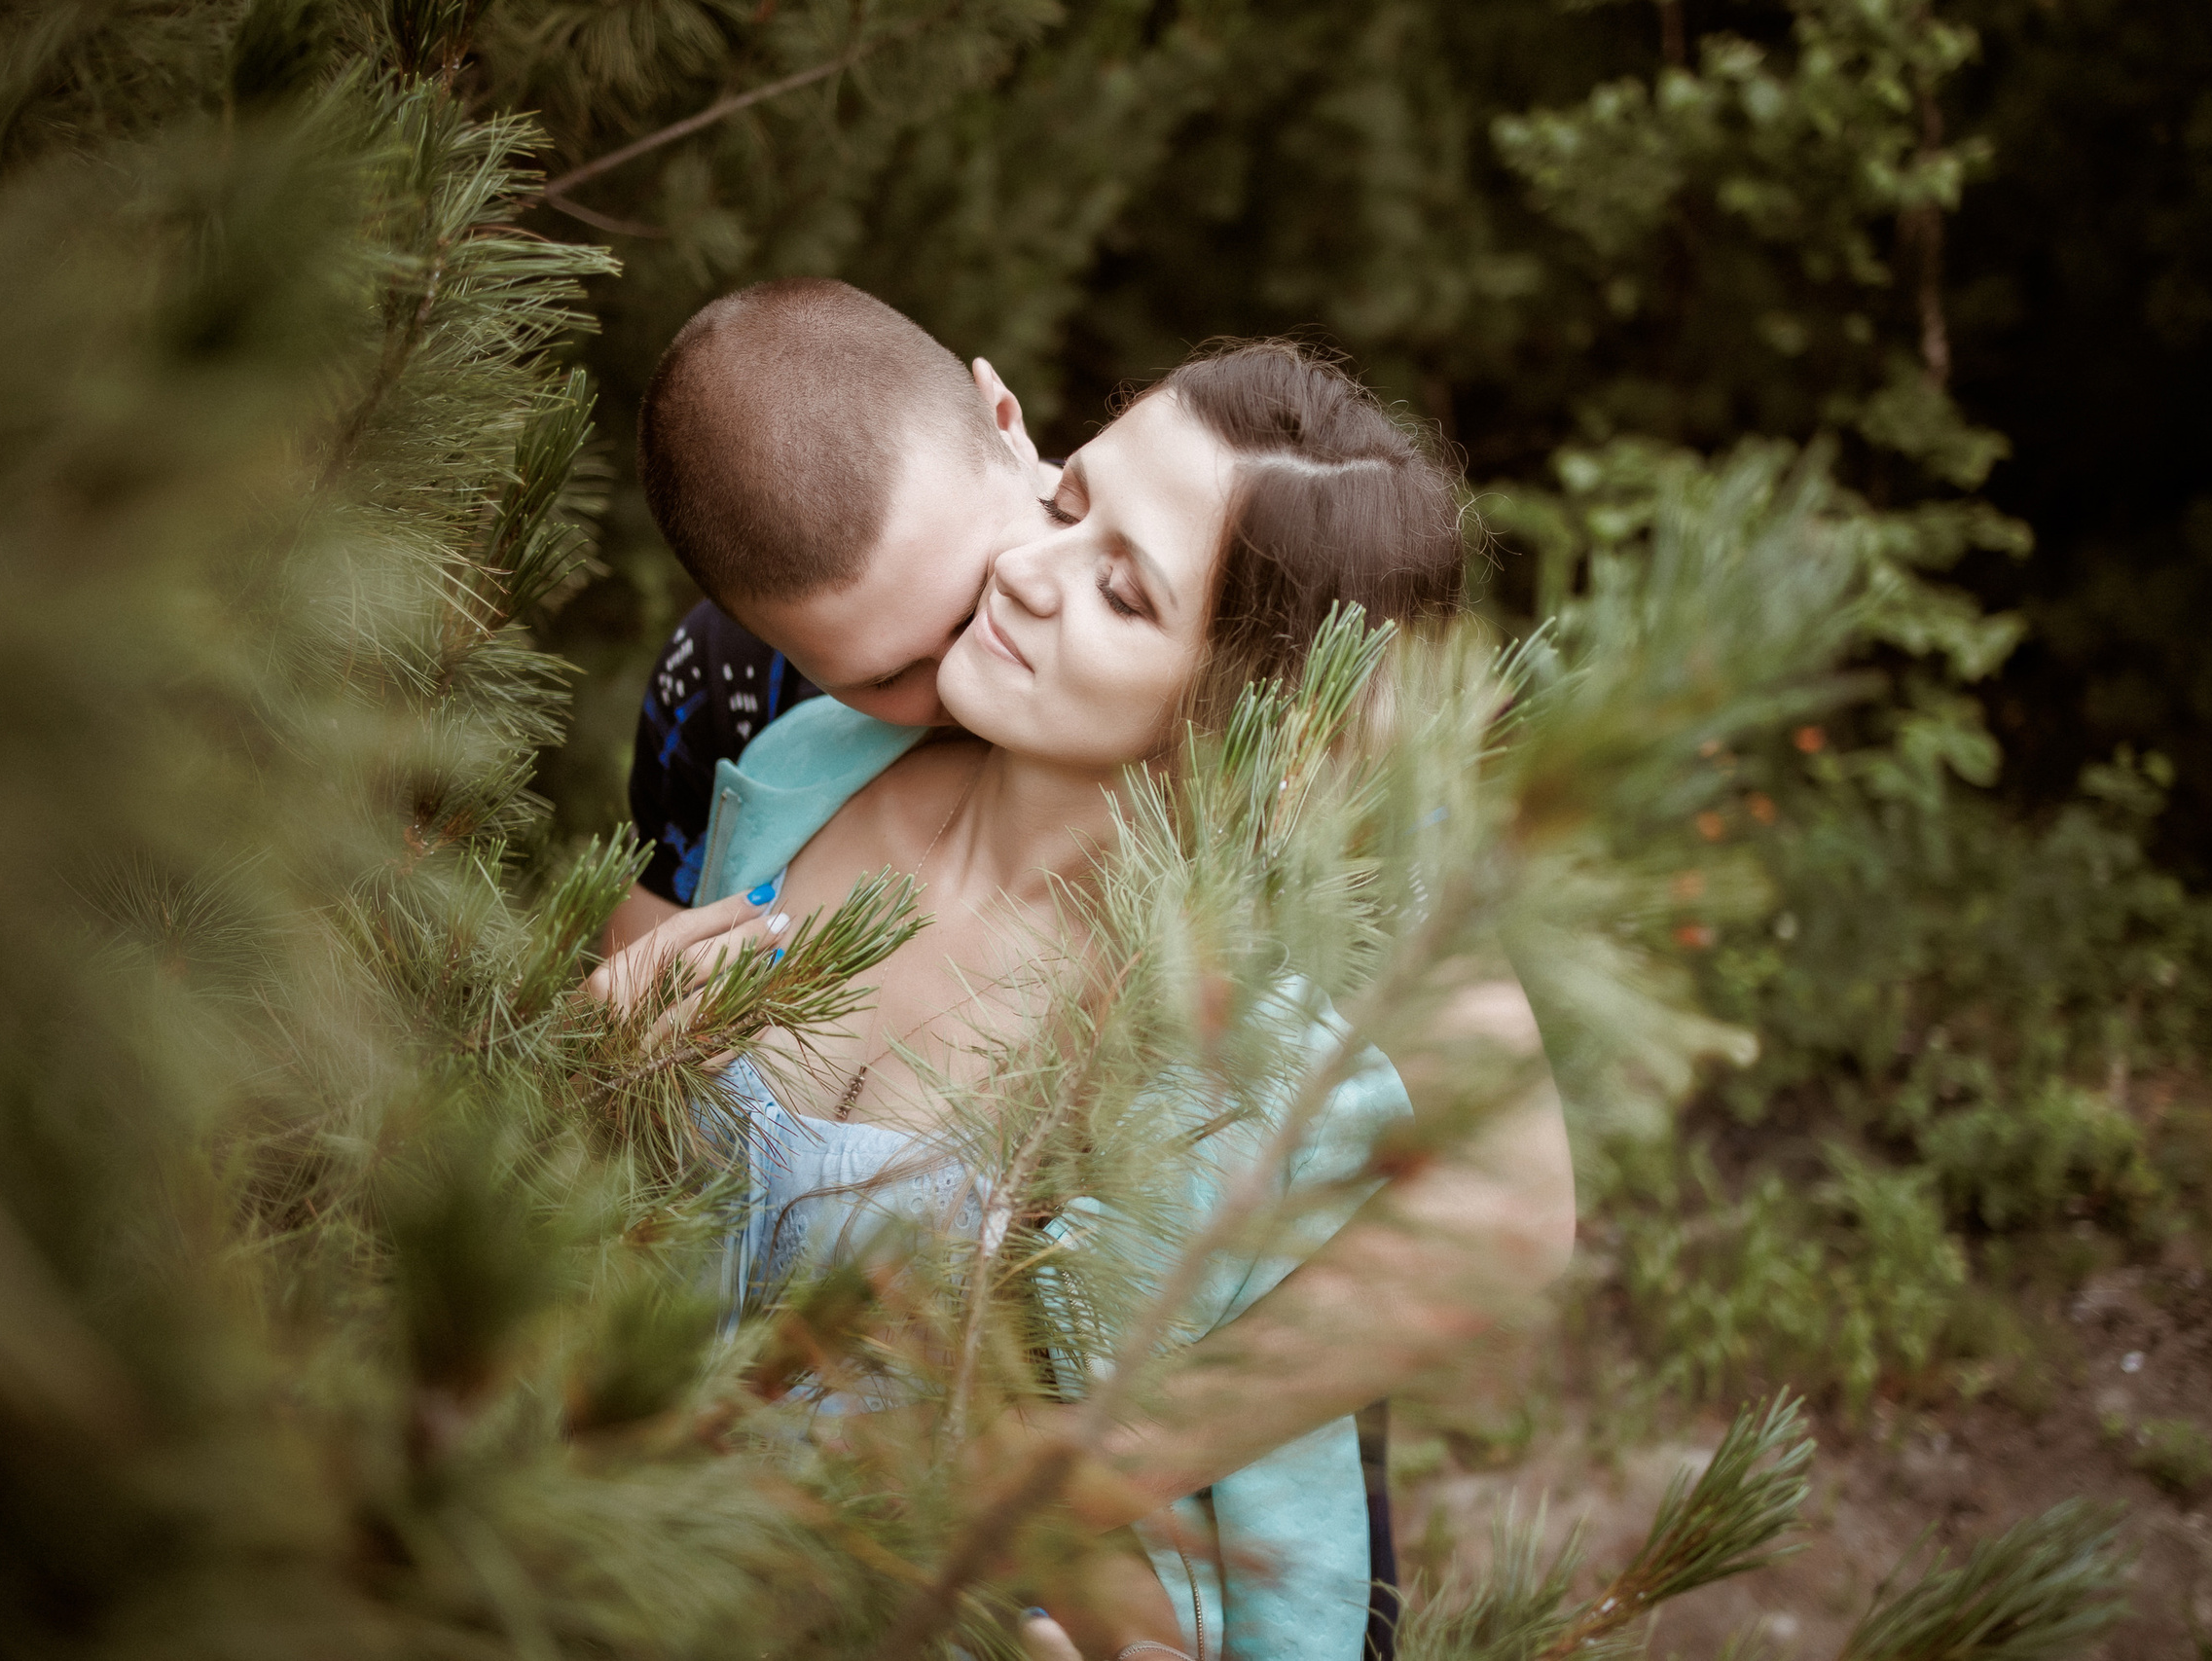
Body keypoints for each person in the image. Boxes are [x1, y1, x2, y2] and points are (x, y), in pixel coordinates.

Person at [593, 326, 1577, 1660]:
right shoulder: (790, 725)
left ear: (1251, 706)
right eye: (1066, 501)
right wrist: (600, 1048)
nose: (1024, 574)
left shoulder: (1243, 1031)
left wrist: (1071, 1511)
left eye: (1124, 591)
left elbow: (1503, 1218)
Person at [602, 278, 1057, 949]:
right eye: (888, 678)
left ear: (1004, 424)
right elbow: (642, 977)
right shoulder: (722, 679)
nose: (964, 680)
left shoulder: (1182, 589)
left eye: (974, 604)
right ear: (758, 634)